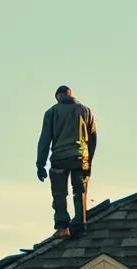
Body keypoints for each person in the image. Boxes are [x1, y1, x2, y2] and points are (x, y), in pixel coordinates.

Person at [37, 85, 97, 237]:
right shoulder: (86, 111)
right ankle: (80, 223)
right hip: (80, 158)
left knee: (59, 193)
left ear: (59, 95)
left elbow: (45, 140)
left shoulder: (52, 112)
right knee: (79, 191)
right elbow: (92, 139)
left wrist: (40, 164)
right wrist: (88, 162)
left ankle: (63, 227)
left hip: (59, 158)